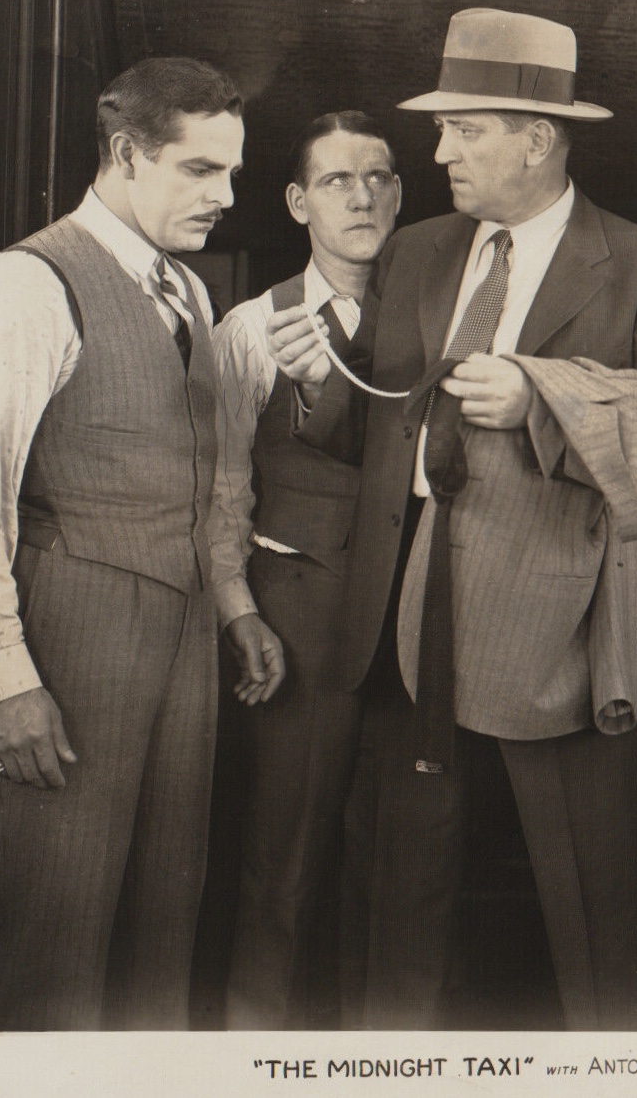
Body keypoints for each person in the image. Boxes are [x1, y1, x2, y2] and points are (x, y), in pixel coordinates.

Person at [268, 8, 637, 1031]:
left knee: (599, 924)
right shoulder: (423, 252)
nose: (438, 155)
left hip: (558, 633)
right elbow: (365, 439)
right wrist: (316, 385)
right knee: (396, 914)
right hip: (406, 620)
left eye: (464, 130)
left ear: (536, 138)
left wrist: (545, 403)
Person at [0, 56, 242, 1030]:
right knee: (50, 949)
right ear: (126, 154)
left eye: (232, 172)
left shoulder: (191, 295)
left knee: (162, 940)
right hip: (69, 650)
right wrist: (1, 683)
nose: (226, 196)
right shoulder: (24, 284)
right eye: (201, 170)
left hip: (185, 647)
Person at [207, 111, 402, 1028]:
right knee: (280, 857)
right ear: (296, 201)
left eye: (380, 176)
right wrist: (240, 609)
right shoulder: (252, 328)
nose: (362, 195)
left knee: (390, 861)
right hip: (298, 617)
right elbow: (222, 490)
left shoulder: (435, 314)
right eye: (336, 180)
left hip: (404, 618)